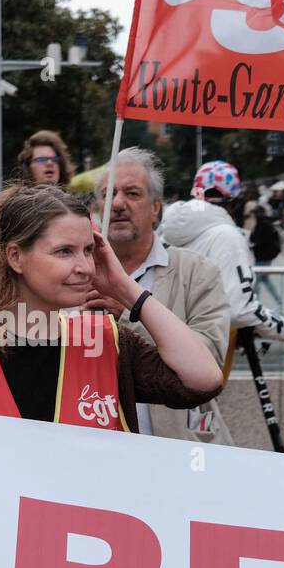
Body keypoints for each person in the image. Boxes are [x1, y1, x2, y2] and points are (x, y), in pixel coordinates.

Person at [0, 183, 224, 431]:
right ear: (16, 257)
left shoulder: (107, 341)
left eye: (88, 250)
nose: (84, 266)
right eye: (63, 251)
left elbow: (203, 381)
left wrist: (127, 290)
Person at [87, 148, 233, 444]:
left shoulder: (197, 273)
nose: (117, 204)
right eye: (107, 194)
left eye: (132, 193)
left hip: (178, 451)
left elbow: (210, 362)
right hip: (95, 450)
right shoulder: (74, 274)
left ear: (156, 207)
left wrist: (128, 313)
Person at [170, 161, 284, 368]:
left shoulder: (169, 229)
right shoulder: (228, 236)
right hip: (201, 353)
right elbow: (238, 309)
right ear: (234, 200)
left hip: (168, 342)